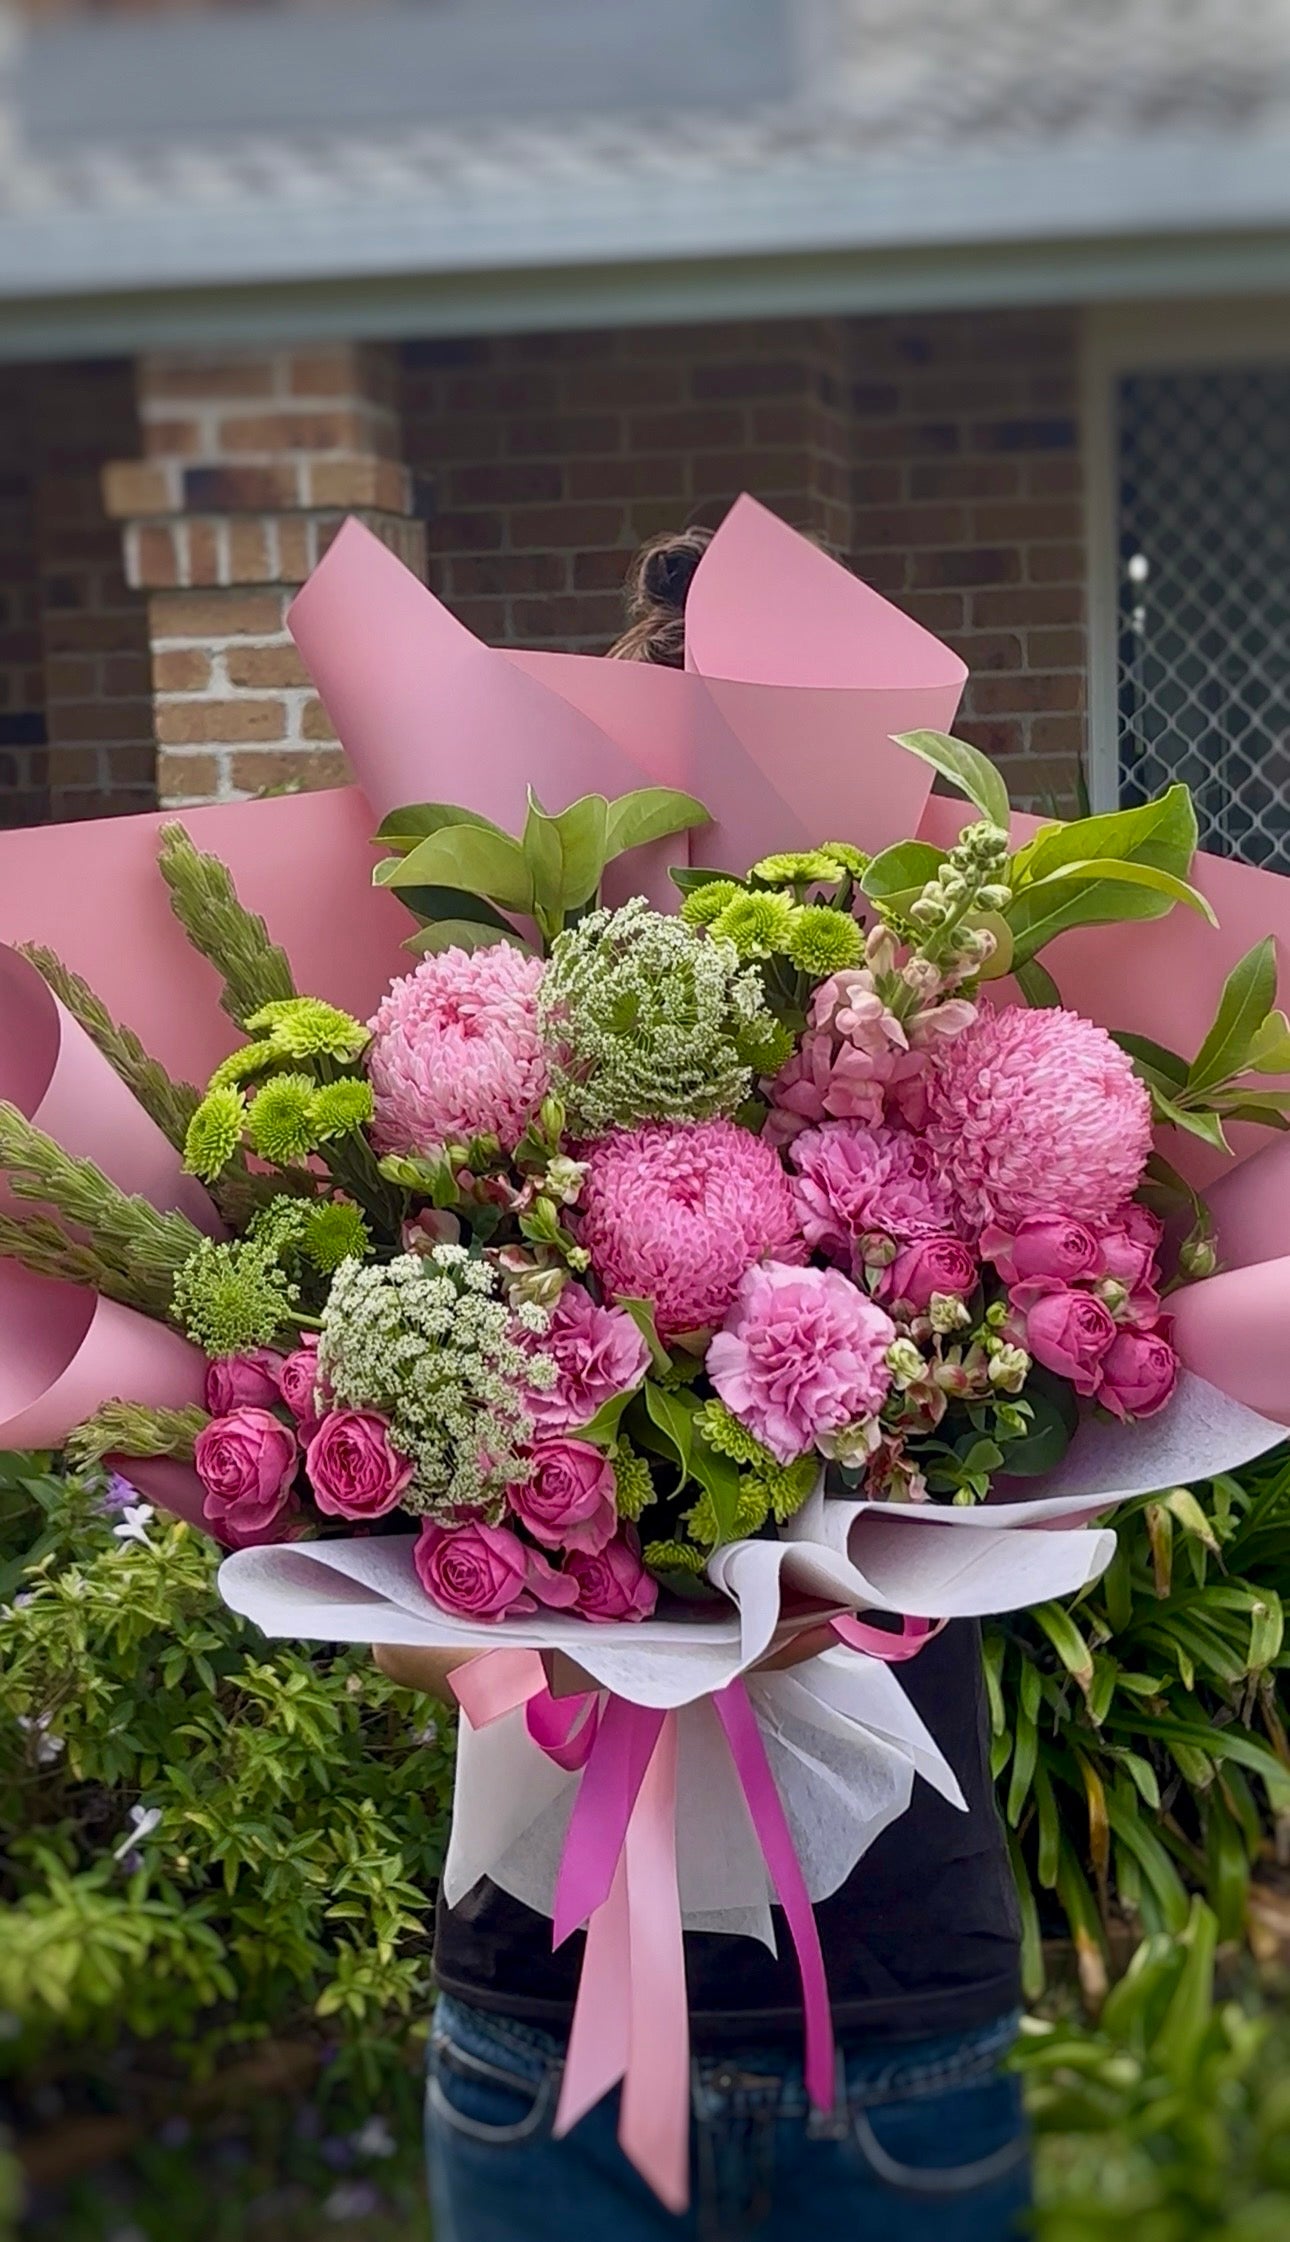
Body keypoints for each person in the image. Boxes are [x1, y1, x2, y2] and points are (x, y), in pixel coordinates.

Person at [374, 524, 1031, 2242]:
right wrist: (472, 1630)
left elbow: (1067, 1420)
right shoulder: (464, 1134)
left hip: (880, 2013)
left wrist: (827, 1586)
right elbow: (353, 1529)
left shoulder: (951, 1083)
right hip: (551, 2018)